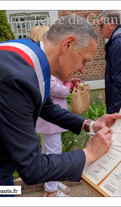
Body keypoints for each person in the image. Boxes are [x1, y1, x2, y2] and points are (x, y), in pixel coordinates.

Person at [0, 15, 121, 195]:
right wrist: (88, 153)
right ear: (68, 44)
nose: (83, 70)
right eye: (84, 60)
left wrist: (89, 125)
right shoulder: (17, 77)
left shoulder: (27, 56)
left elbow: (45, 106)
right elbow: (33, 168)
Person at [30, 26, 72, 197]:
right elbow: (54, 87)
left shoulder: (40, 61)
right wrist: (68, 87)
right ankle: (51, 191)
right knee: (54, 152)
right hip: (50, 120)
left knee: (50, 150)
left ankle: (52, 182)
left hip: (49, 119)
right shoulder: (45, 62)